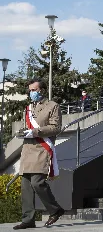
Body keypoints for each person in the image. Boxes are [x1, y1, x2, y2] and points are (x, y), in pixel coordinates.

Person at [13, 79, 64, 230]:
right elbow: (27, 126)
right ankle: (28, 219)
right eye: (30, 90)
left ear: (41, 90)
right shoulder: (28, 108)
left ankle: (55, 210)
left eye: (34, 90)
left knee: (37, 182)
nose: (31, 93)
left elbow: (56, 127)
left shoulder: (52, 106)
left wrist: (35, 131)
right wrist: (22, 132)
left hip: (42, 148)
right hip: (28, 149)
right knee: (26, 186)